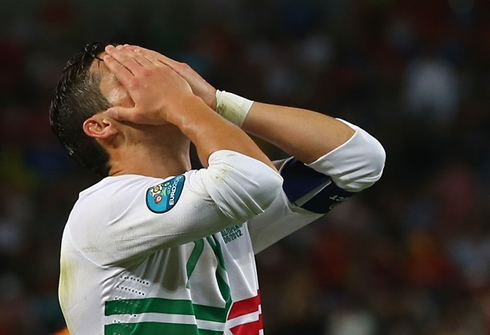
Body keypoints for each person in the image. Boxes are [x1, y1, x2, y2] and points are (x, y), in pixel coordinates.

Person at [49, 42, 385, 335]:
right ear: (101, 126)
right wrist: (182, 104)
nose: (157, 76)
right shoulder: (104, 209)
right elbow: (254, 180)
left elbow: (358, 160)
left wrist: (221, 103)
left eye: (151, 65)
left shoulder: (219, 209)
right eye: (129, 74)